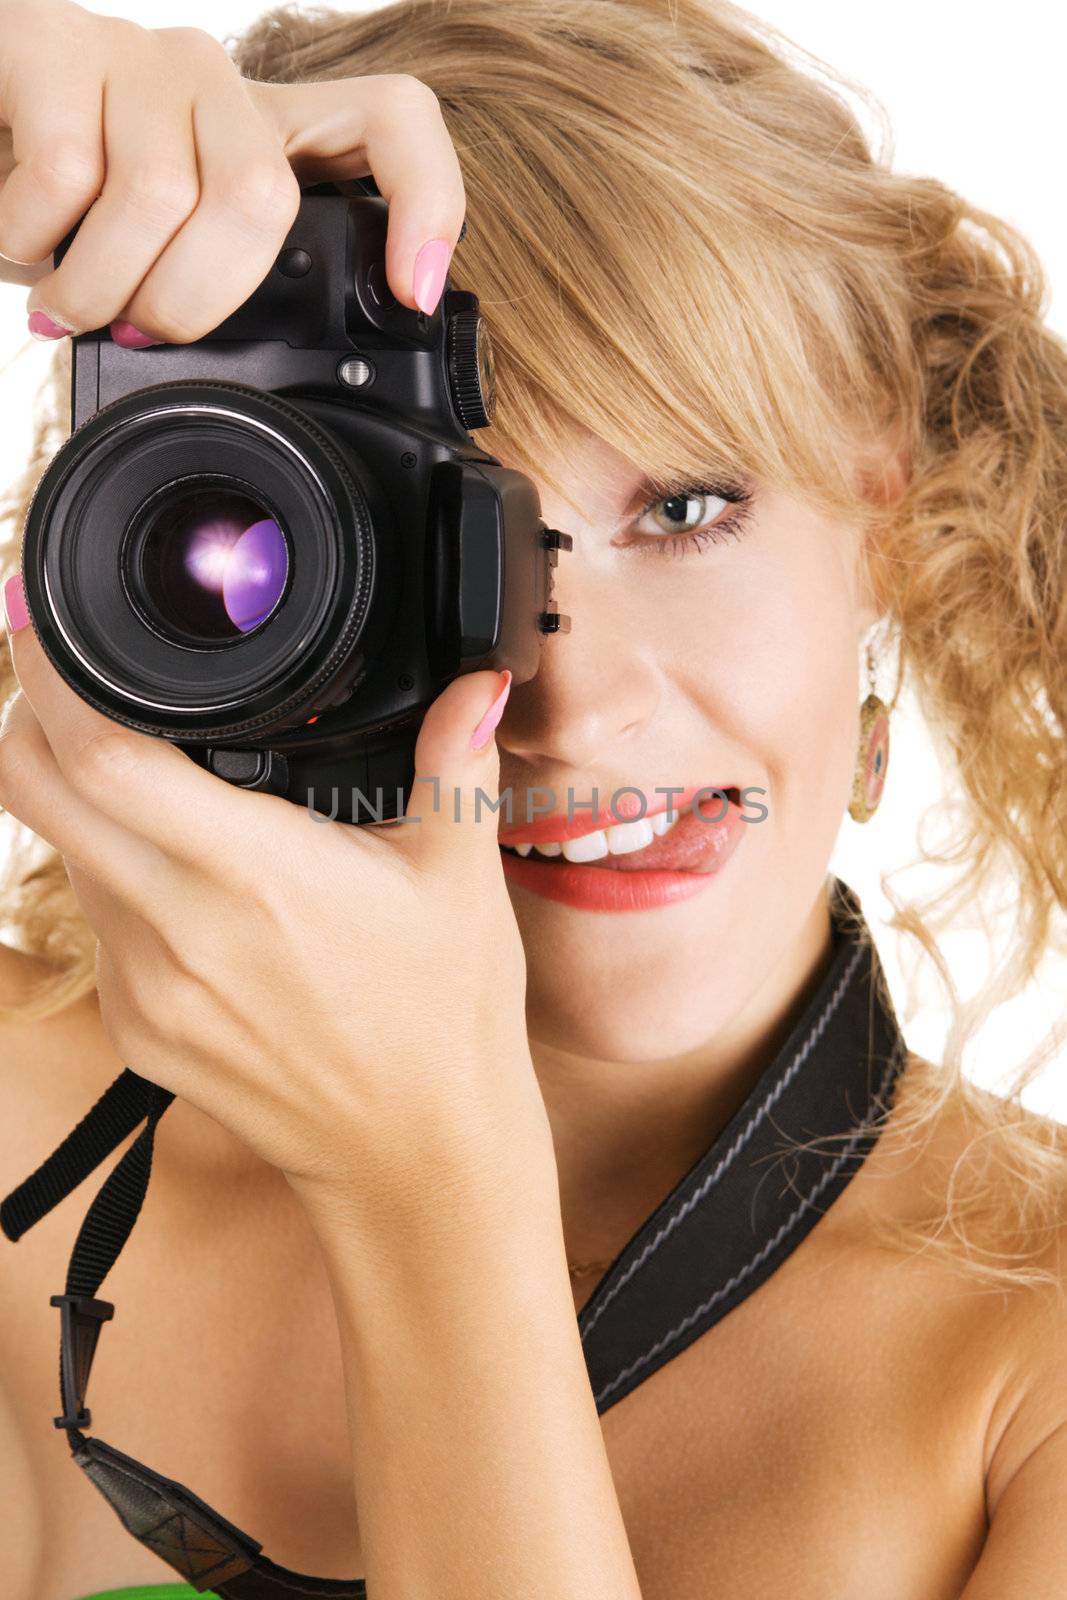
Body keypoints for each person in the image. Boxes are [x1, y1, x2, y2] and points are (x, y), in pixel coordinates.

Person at [1, 0, 1066, 1595]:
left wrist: (431, 1192)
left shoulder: (1027, 1366)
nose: (573, 698)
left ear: (889, 517)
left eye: (690, 507)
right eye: (450, 538)